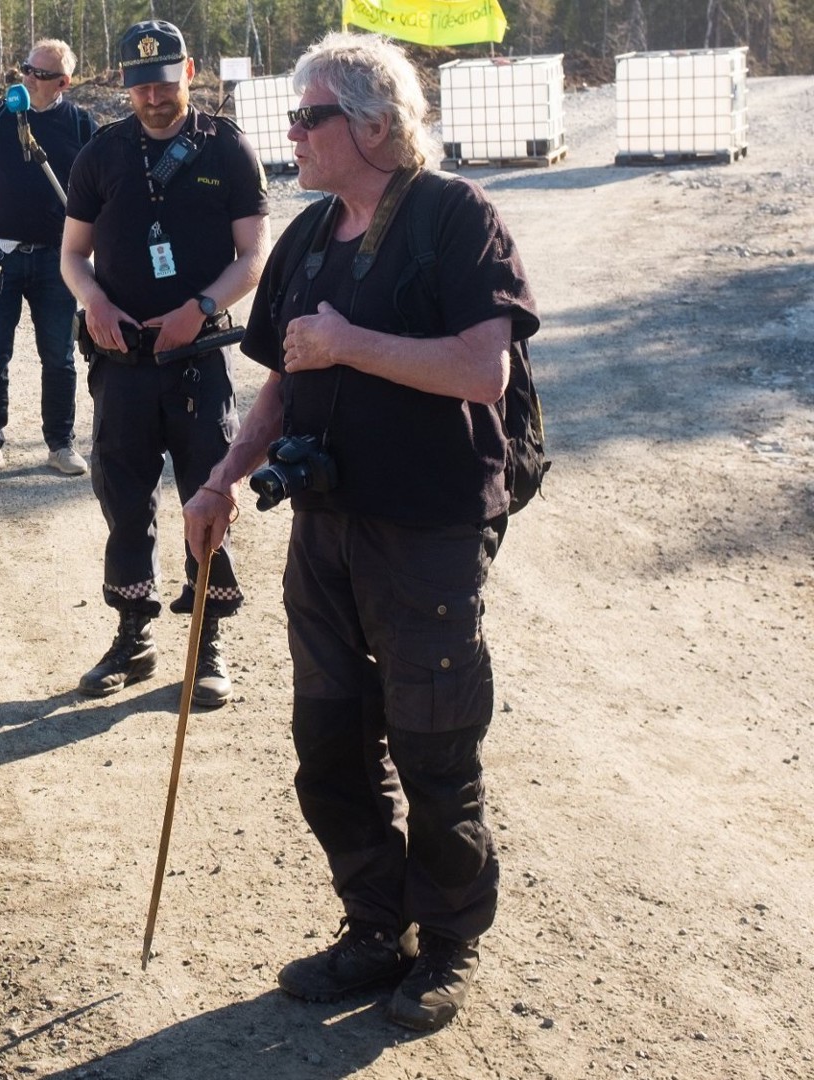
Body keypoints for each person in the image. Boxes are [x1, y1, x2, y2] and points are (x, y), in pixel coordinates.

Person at [183, 31, 538, 1032]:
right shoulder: (306, 236)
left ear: (374, 126)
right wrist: (218, 482)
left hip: (426, 532)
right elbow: (284, 385)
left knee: (435, 750)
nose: (290, 132)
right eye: (291, 116)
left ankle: (448, 946)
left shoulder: (452, 217)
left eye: (309, 116)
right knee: (329, 745)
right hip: (326, 531)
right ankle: (374, 929)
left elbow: (481, 371)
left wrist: (353, 344)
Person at [61, 20, 268, 705]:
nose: (153, 94)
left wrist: (198, 310)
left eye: (165, 78)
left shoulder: (228, 148)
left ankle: (207, 643)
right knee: (123, 500)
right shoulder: (101, 153)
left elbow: (253, 258)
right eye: (140, 82)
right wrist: (93, 302)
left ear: (191, 69)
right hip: (121, 360)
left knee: (206, 495)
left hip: (196, 358)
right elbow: (72, 255)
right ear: (124, 83)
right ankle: (133, 635)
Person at [0, 38, 96, 477]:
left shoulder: (79, 124)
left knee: (59, 354)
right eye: (25, 69)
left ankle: (60, 442)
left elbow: (100, 185)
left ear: (63, 83)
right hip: (0, 256)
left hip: (57, 259)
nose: (28, 79)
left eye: (40, 74)